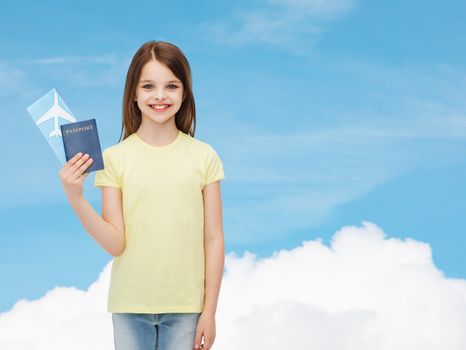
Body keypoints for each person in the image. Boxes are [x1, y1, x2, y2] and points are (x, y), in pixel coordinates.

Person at [59, 40, 225, 350]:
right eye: (148, 86)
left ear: (185, 92)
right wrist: (76, 197)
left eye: (171, 86)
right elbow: (115, 242)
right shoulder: (115, 159)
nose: (160, 96)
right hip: (129, 306)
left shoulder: (204, 157)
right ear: (133, 93)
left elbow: (213, 238)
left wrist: (210, 311)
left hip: (187, 307)